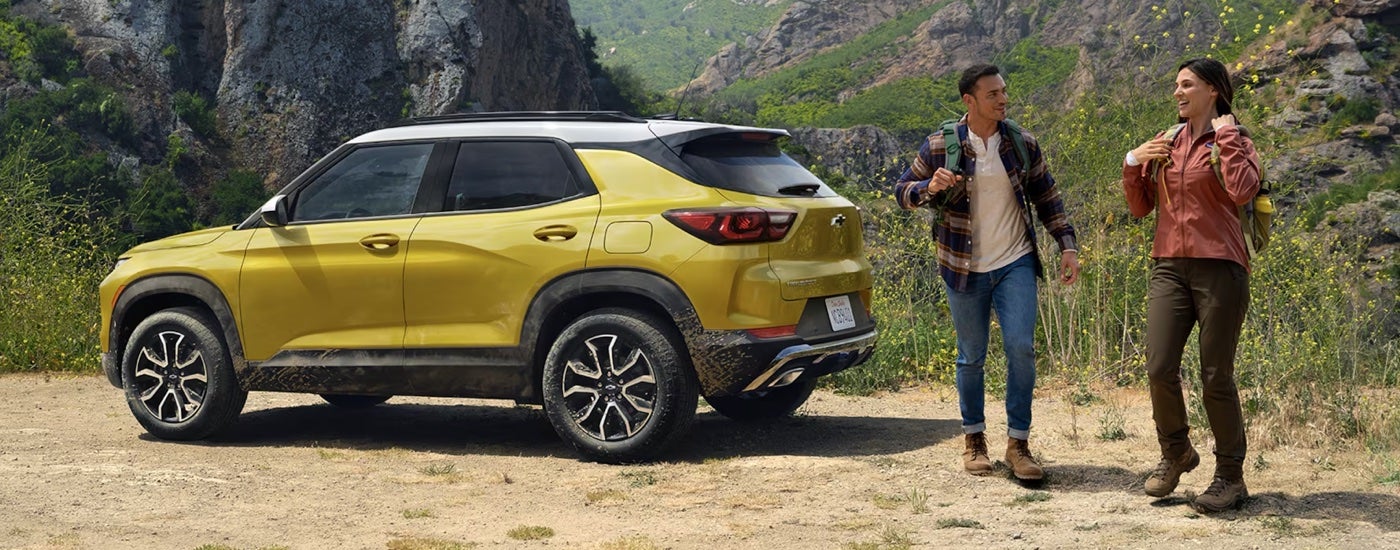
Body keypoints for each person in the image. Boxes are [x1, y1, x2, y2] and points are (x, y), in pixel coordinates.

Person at [894, 64, 1080, 481]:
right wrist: (929, 188)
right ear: (969, 100)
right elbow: (901, 192)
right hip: (963, 265)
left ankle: (1018, 444)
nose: (1003, 100)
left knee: (1021, 347)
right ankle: (974, 439)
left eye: (1004, 92)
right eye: (993, 94)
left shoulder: (1020, 142)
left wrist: (1066, 245)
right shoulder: (940, 146)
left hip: (1014, 261)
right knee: (971, 356)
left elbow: (1048, 197)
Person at [1121, 57, 1261, 512]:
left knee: (1215, 375)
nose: (1177, 93)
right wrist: (1132, 162)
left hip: (1220, 266)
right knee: (1160, 366)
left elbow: (1242, 191)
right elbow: (1141, 208)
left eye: (1187, 85)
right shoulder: (1168, 142)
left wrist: (1225, 135)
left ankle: (1230, 478)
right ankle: (1176, 452)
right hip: (1169, 266)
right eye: (1176, 85)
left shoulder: (1235, 140)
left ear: (1213, 91)